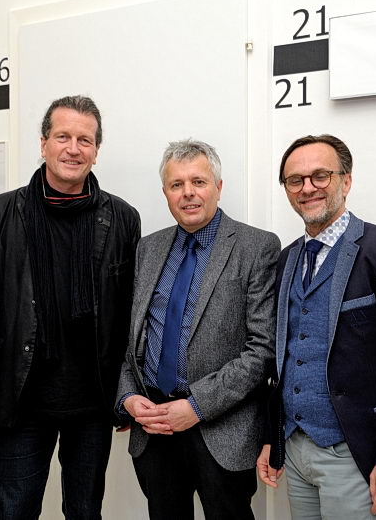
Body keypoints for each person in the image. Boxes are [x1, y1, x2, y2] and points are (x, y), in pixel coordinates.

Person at [0, 95, 140, 519]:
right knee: (15, 511)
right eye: (63, 136)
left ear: (96, 151)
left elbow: (130, 317)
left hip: (93, 402)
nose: (73, 148)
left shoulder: (123, 218)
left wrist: (126, 392)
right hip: (21, 399)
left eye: (85, 140)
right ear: (43, 143)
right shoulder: (0, 214)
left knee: (85, 512)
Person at [256, 134, 376, 518]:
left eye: (320, 176)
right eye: (295, 180)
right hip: (295, 450)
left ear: (346, 180)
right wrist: (274, 438)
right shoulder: (287, 258)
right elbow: (283, 357)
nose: (308, 188)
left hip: (356, 456)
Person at [117, 139, 279, 520]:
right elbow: (129, 339)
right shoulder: (148, 249)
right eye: (177, 184)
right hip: (154, 428)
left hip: (221, 431)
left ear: (218, 187)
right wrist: (127, 397)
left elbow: (262, 349)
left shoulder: (256, 247)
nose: (187, 193)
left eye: (198, 182)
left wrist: (196, 406)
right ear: (165, 193)